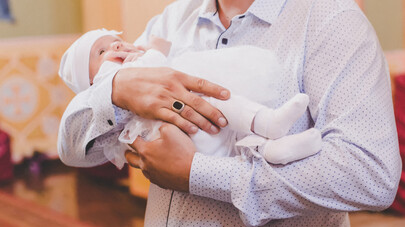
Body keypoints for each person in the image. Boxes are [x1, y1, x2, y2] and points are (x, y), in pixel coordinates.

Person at [58, 0, 402, 227]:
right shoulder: (169, 22)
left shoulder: (332, 21)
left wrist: (198, 174)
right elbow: (76, 151)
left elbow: (371, 174)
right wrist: (117, 89)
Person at [59, 29, 322, 169]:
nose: (116, 46)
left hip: (201, 132)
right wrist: (119, 86)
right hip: (177, 131)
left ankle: (273, 150)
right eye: (101, 51)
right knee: (214, 101)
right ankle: (265, 122)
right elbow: (70, 151)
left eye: (116, 40)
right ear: (91, 83)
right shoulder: (111, 77)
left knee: (233, 137)